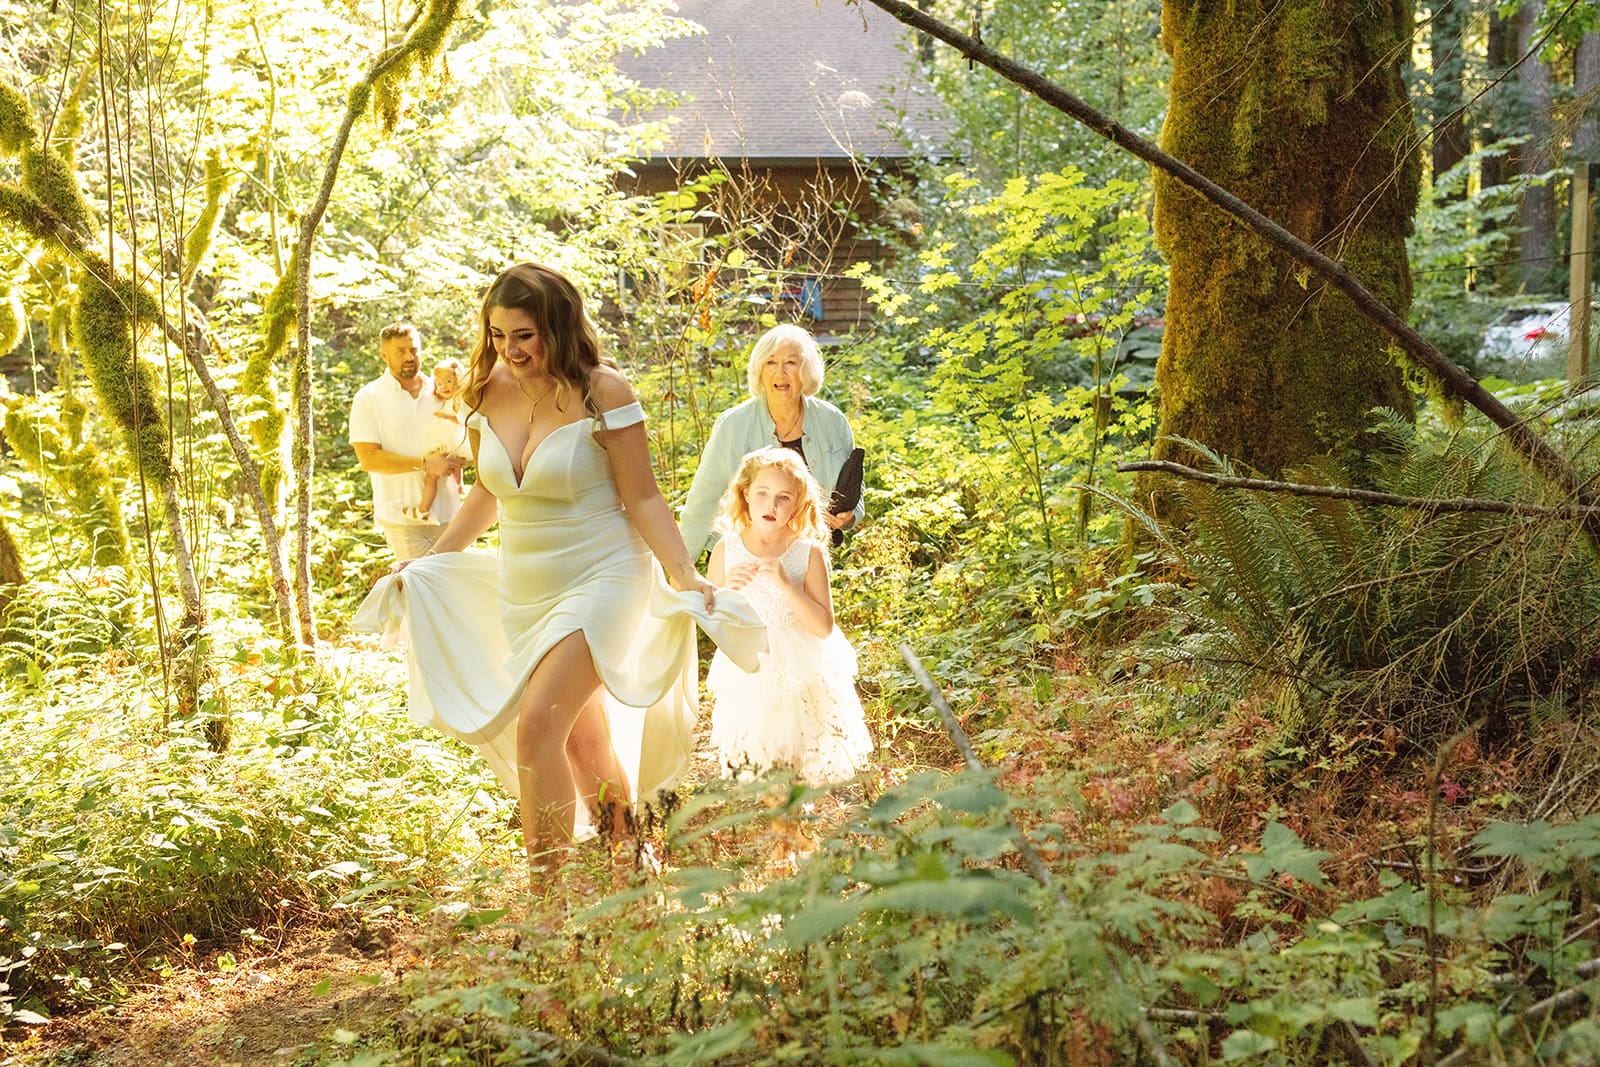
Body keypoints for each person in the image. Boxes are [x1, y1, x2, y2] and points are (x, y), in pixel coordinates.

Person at [353, 264, 764, 882]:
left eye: (525, 335)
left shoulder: (605, 392)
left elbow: (644, 498)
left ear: (559, 326)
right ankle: (632, 868)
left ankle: (545, 909)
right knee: (581, 742)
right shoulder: (486, 390)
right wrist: (435, 557)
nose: (510, 351)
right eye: (498, 335)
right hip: (526, 586)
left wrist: (685, 573)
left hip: (605, 573)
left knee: (539, 724)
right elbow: (488, 494)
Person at [705, 447, 872, 783]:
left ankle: (795, 823)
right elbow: (709, 620)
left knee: (799, 755)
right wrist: (725, 595)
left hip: (802, 665)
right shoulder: (727, 549)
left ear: (797, 504)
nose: (771, 505)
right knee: (763, 755)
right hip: (750, 666)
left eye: (784, 497)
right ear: (745, 495)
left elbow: (823, 626)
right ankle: (782, 822)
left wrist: (786, 583)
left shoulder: (806, 551)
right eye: (763, 494)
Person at [677, 324, 863, 558]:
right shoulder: (733, 425)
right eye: (771, 362)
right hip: (742, 559)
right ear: (760, 371)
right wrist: (682, 574)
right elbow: (701, 504)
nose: (780, 373)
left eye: (791, 363)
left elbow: (854, 486)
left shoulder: (833, 421)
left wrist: (850, 516)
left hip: (806, 556)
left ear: (806, 370)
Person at [349, 322, 465, 561]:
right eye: (400, 351)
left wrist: (460, 458)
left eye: (413, 350)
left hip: (450, 513)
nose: (409, 357)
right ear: (384, 355)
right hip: (402, 519)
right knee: (419, 591)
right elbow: (369, 459)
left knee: (453, 590)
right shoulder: (369, 398)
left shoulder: (443, 392)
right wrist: (423, 464)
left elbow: (463, 429)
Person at [403, 358, 471, 522]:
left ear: (459, 380)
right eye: (439, 384)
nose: (444, 387)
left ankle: (422, 510)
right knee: (446, 468)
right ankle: (459, 485)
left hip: (451, 443)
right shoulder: (446, 400)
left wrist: (446, 416)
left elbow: (463, 419)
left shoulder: (460, 400)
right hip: (449, 443)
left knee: (430, 477)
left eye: (448, 381)